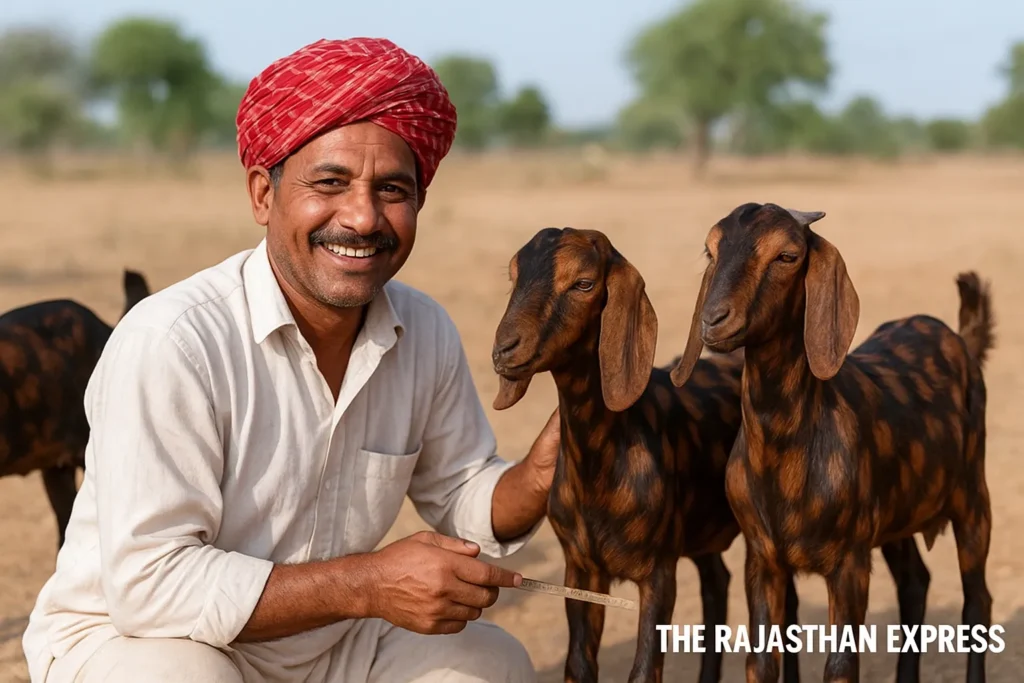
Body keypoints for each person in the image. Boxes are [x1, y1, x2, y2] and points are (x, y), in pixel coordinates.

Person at [22, 37, 561, 683]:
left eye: (392, 189)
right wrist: (367, 584)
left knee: (489, 663)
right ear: (261, 194)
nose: (362, 218)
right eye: (330, 183)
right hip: (136, 639)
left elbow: (460, 493)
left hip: (326, 644)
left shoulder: (424, 330)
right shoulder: (174, 340)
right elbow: (150, 586)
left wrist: (541, 472)